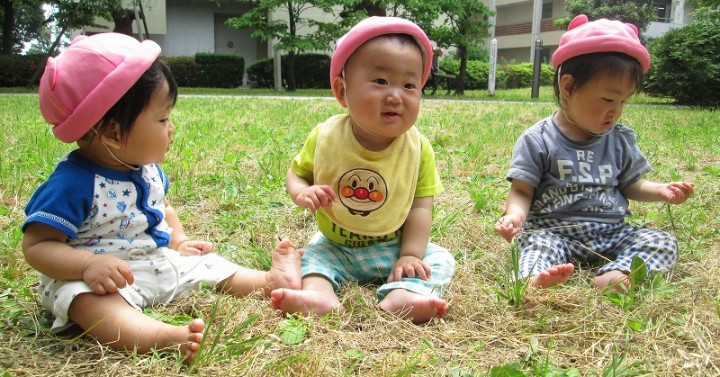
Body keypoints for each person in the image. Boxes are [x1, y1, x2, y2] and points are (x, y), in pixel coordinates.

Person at [21, 33, 302, 363]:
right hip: (98, 279)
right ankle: (156, 336)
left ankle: (268, 282)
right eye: (162, 118)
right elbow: (37, 246)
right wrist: (87, 265)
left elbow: (162, 207)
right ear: (112, 132)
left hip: (155, 262)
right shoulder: (73, 183)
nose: (171, 128)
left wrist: (179, 240)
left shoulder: (145, 169)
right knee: (85, 301)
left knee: (206, 264)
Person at [271, 16, 456, 323]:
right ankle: (319, 295)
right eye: (381, 81)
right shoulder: (326, 137)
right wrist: (303, 191)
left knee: (439, 258)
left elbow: (421, 207)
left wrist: (409, 254)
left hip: (392, 248)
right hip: (335, 245)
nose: (396, 95)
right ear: (342, 91)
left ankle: (403, 293)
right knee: (311, 259)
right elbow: (297, 174)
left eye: (410, 85)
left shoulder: (417, 149)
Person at [494, 15, 695, 291]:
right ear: (568, 87)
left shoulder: (620, 139)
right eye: (608, 99)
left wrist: (661, 190)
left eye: (623, 101)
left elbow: (631, 184)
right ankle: (535, 280)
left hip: (611, 231)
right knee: (536, 245)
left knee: (662, 241)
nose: (615, 110)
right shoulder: (538, 139)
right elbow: (522, 190)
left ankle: (617, 273)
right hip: (554, 231)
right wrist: (515, 216)